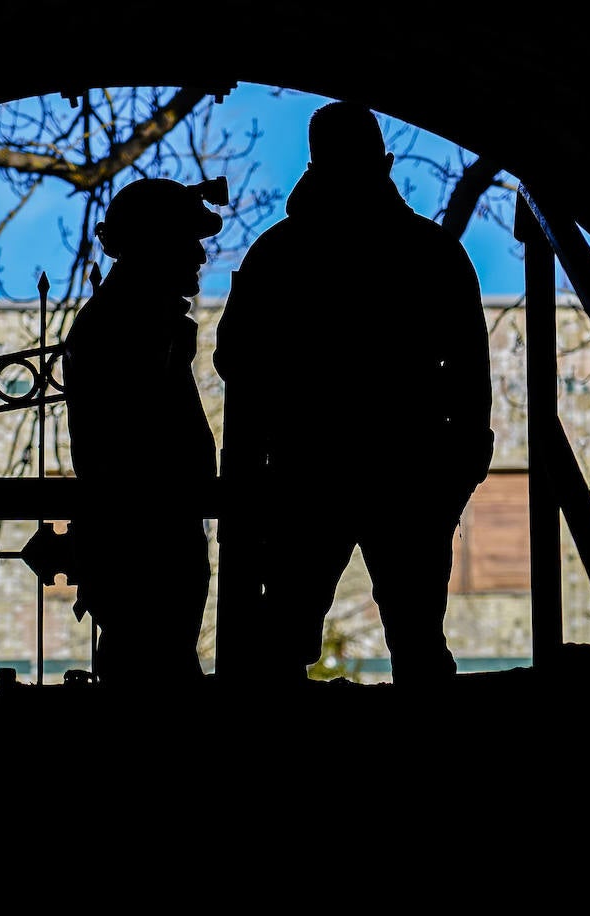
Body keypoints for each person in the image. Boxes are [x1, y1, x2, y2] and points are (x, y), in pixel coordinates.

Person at [213, 100, 494, 687]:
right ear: (385, 161)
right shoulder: (432, 252)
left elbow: (235, 359)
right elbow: (470, 372)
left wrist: (271, 451)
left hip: (311, 466)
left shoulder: (279, 253)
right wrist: (460, 461)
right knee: (416, 637)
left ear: (314, 164)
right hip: (405, 465)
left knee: (286, 636)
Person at [61, 176, 228, 689]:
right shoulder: (128, 325)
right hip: (146, 539)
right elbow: (137, 442)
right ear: (154, 244)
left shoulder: (139, 319)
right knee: (151, 679)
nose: (199, 256)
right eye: (187, 240)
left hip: (155, 532)